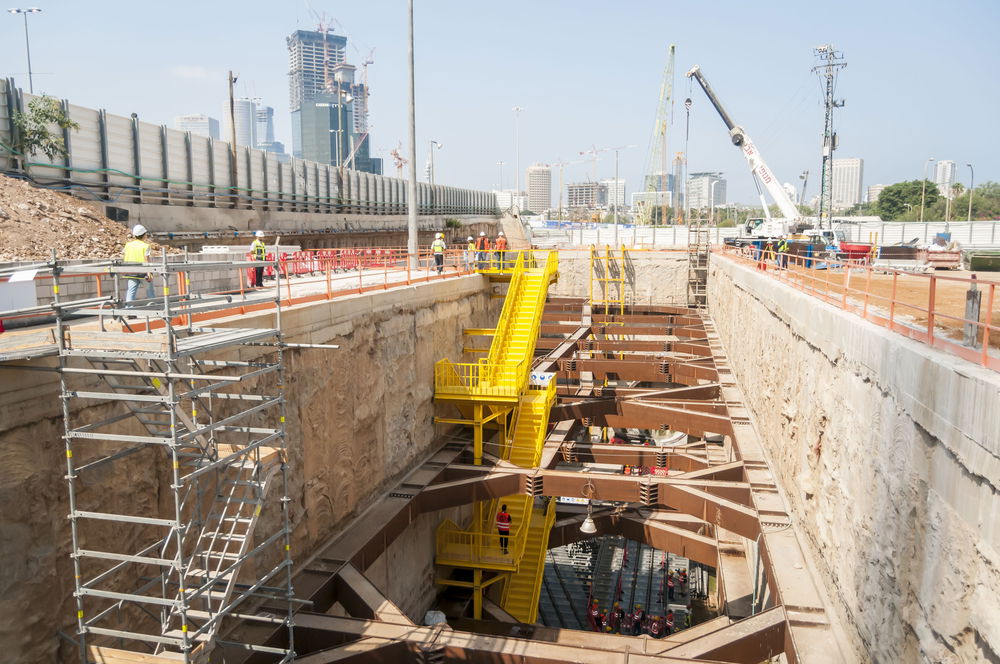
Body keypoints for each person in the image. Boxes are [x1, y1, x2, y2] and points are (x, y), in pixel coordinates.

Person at [123, 224, 153, 303]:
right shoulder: (145, 246)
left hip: (131, 272)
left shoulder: (128, 245)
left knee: (131, 292)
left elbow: (125, 256)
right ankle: (154, 309)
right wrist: (149, 273)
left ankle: (129, 311)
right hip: (143, 273)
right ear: (144, 235)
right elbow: (146, 259)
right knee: (150, 292)